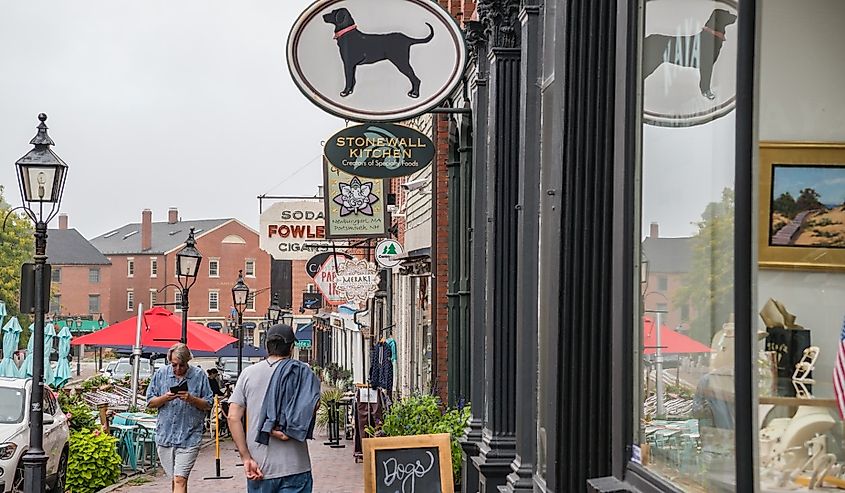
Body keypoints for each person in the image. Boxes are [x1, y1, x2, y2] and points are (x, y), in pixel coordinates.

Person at [228, 324, 321, 493]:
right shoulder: (303, 372)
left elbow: (233, 417)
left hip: (260, 466)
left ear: (266, 346)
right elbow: (314, 404)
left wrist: (246, 457)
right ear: (292, 348)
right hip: (296, 465)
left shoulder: (248, 374)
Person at [146, 343, 212, 493]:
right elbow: (150, 402)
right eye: (174, 365)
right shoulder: (161, 374)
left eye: (181, 365)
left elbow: (208, 404)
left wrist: (192, 399)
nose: (177, 369)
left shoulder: (198, 375)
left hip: (189, 436)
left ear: (188, 362)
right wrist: (165, 398)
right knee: (176, 479)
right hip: (165, 437)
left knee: (180, 478)